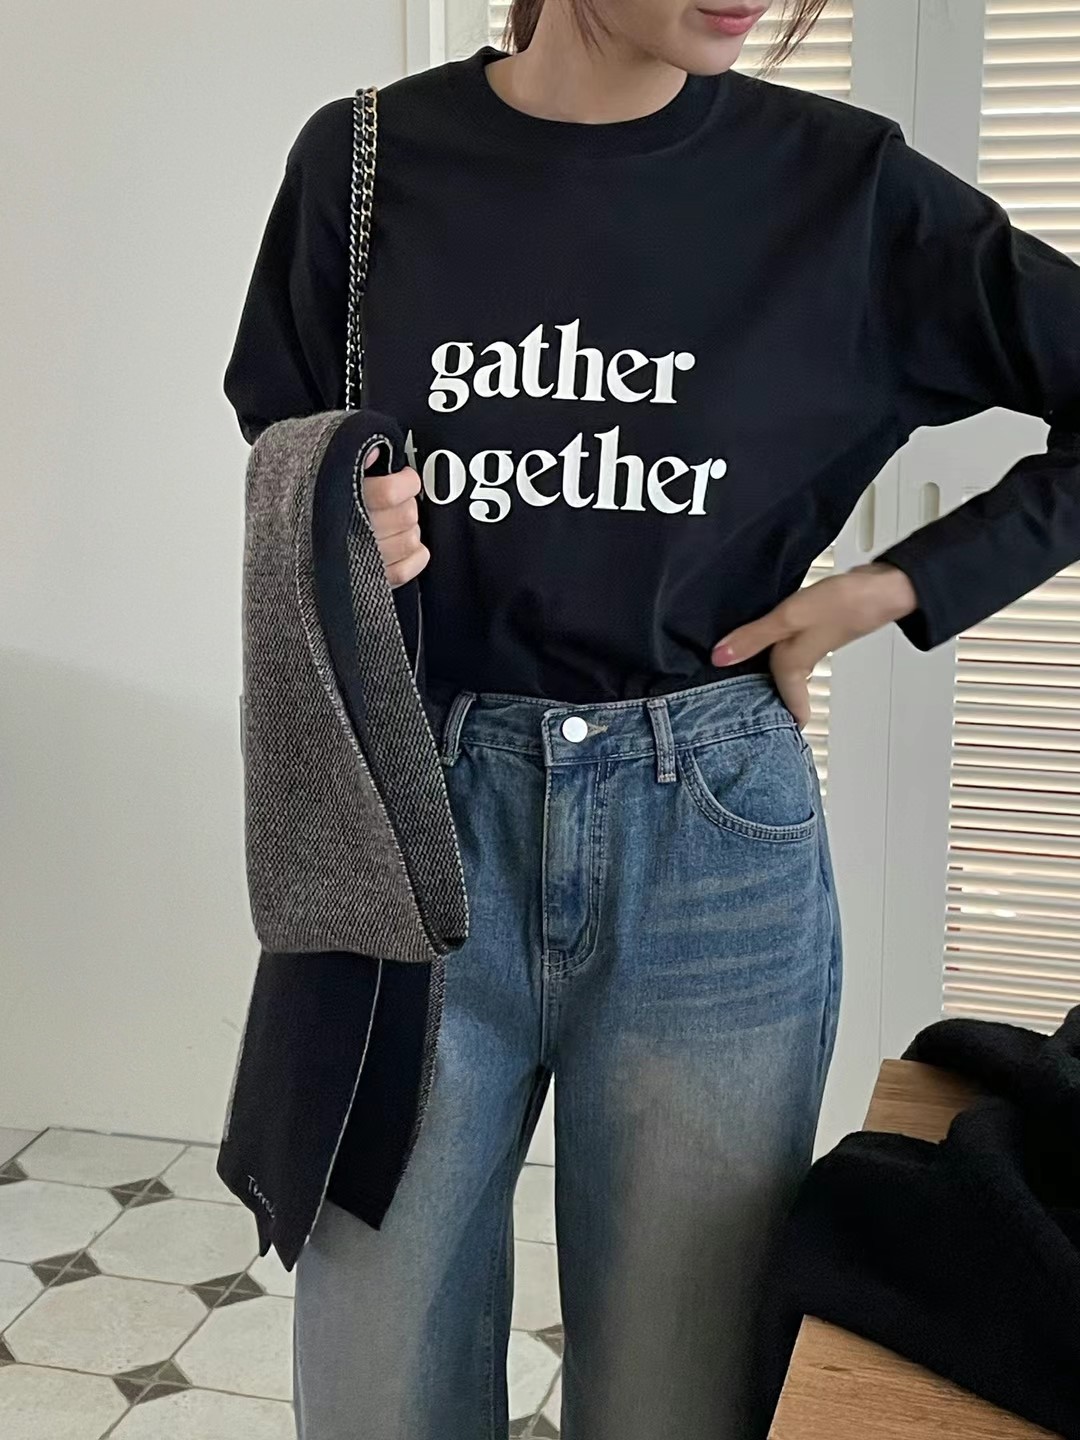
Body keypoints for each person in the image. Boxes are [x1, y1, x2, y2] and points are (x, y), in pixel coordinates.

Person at [221, 2, 1080, 1436]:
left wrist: (891, 588)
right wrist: (342, 503)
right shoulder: (365, 161)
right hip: (416, 817)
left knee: (675, 1400)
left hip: (713, 848)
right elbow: (284, 426)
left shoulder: (844, 187)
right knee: (375, 1387)